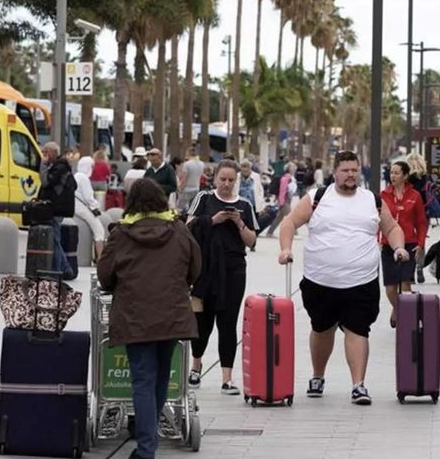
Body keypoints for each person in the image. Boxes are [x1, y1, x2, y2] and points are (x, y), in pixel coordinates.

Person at [277, 150, 409, 406]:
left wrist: (399, 247)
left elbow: (391, 228)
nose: (350, 175)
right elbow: (290, 223)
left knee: (358, 329)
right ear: (334, 172)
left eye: (354, 170)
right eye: (345, 170)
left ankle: (358, 385)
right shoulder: (317, 197)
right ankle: (318, 376)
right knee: (321, 328)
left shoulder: (372, 200)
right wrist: (285, 249)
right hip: (319, 280)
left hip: (361, 280)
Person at [97, 178, 201, 459]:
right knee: (160, 380)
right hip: (171, 315)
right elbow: (195, 268)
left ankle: (146, 450)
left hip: (135, 316)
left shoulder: (121, 234)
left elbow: (105, 277)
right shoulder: (179, 230)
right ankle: (148, 442)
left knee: (143, 380)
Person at [186, 160, 257, 395]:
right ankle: (196, 365)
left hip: (233, 269)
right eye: (222, 179)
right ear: (214, 178)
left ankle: (227, 377)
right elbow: (187, 227)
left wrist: (238, 222)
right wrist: (212, 220)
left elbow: (252, 240)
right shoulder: (204, 199)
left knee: (228, 322)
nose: (226, 184)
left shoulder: (244, 204)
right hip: (204, 270)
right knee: (201, 321)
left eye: (231, 180)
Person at [379, 160, 427, 328]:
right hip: (388, 244)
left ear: (405, 176)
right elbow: (377, 220)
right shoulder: (383, 195)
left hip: (409, 244)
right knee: (390, 288)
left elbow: (421, 222)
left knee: (406, 282)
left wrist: (421, 244)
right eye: (391, 173)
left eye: (397, 173)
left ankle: (408, 318)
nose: (393, 176)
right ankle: (398, 309)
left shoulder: (415, 196)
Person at [38, 142, 76, 280]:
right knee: (54, 239)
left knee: (55, 239)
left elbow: (46, 181)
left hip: (56, 208)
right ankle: (63, 268)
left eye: (46, 153)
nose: (44, 156)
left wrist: (43, 165)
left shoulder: (59, 167)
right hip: (57, 208)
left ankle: (63, 269)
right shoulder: (60, 166)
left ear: (54, 153)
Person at [73, 156, 106, 260]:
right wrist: (97, 206)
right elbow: (88, 197)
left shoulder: (76, 176)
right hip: (81, 208)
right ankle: (100, 257)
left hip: (74, 206)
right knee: (99, 230)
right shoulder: (83, 178)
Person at [406, 152, 430, 284]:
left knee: (409, 241)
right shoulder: (426, 178)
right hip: (424, 213)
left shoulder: (405, 178)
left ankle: (410, 272)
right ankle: (420, 269)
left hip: (408, 212)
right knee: (421, 242)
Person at [264, 163, 296, 237]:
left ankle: (270, 232)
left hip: (287, 200)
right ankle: (294, 232)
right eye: (292, 167)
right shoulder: (286, 178)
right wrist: (281, 202)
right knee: (292, 217)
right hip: (284, 201)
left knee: (279, 218)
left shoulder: (291, 178)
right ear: (289, 169)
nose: (294, 169)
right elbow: (282, 191)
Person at [179, 147, 205, 214]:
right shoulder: (202, 164)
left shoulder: (187, 164)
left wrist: (180, 189)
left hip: (186, 189)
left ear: (188, 153)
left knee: (181, 209)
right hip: (196, 188)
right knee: (192, 210)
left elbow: (184, 178)